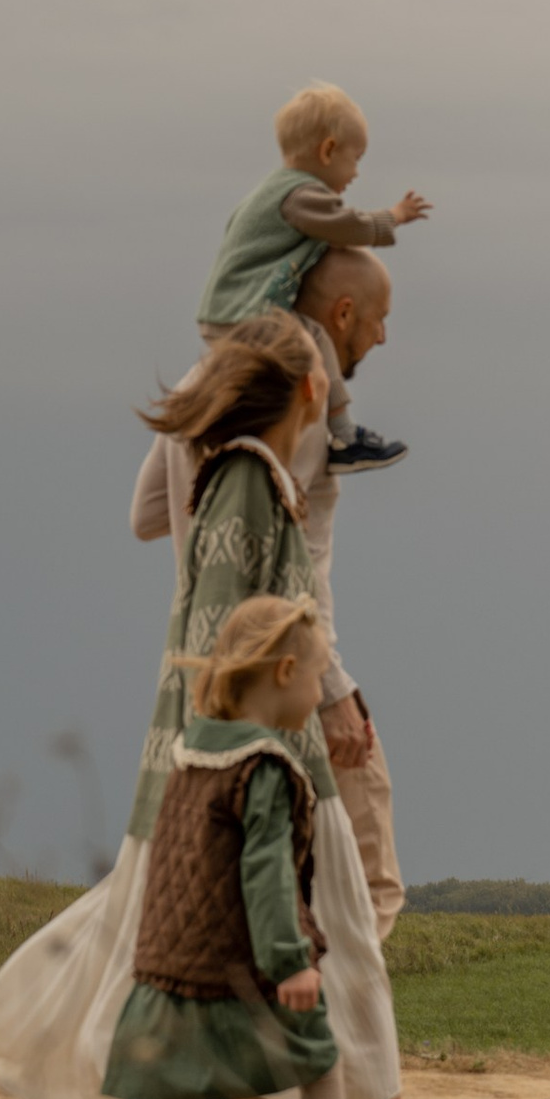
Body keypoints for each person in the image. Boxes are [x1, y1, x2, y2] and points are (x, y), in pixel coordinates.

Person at [0, 311, 471, 1099]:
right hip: (261, 765)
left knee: (210, 951)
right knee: (305, 942)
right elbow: (224, 635)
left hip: (250, 758)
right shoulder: (247, 485)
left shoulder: (252, 478)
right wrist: (243, 765)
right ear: (309, 391)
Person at [133, 244, 404, 934]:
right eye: (378, 319)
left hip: (206, 658)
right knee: (360, 872)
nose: (382, 336)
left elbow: (147, 515)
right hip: (281, 665)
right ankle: (332, 991)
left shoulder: (213, 371)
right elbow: (298, 560)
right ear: (342, 312)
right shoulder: (300, 388)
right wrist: (334, 691)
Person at [88, 595, 362, 1099]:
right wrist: (290, 960)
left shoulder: (191, 749)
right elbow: (265, 873)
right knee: (321, 1067)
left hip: (175, 962)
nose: (320, 691)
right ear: (285, 672)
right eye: (318, 675)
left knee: (169, 1098)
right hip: (240, 967)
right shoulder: (264, 766)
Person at [195, 80, 429, 473]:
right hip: (246, 314)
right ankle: (344, 435)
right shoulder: (301, 196)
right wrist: (394, 217)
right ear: (328, 150)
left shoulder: (270, 194)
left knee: (295, 351)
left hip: (225, 311)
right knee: (311, 343)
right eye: (356, 158)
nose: (356, 173)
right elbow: (347, 226)